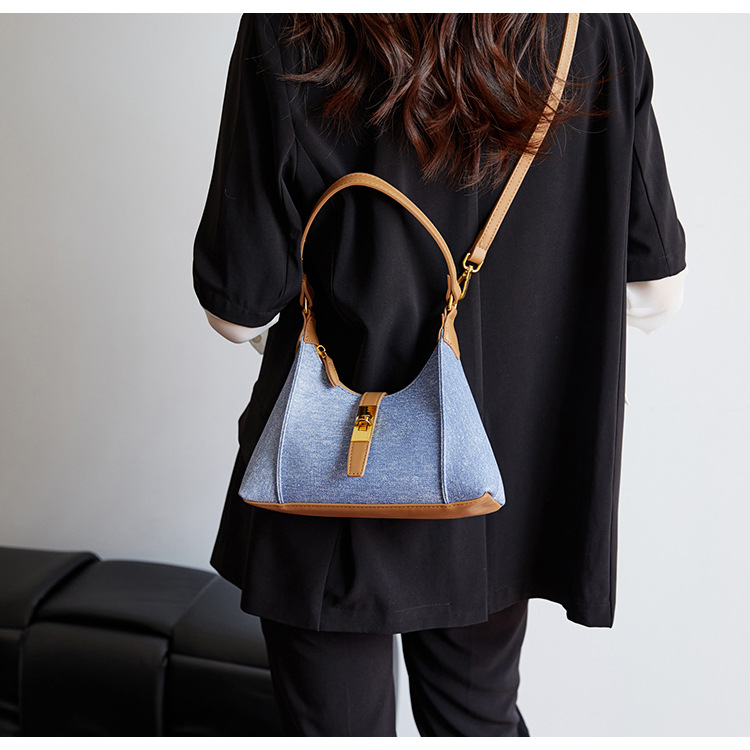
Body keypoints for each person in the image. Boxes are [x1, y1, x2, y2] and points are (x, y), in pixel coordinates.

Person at [192, 13, 687, 737]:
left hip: (329, 467)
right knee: (476, 718)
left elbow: (240, 307)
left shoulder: (291, 22)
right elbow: (654, 292)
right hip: (496, 475)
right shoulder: (592, 27)